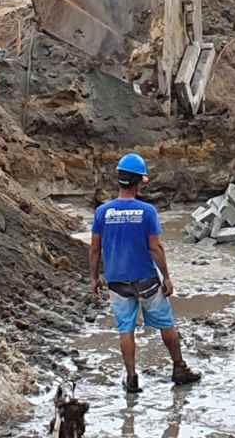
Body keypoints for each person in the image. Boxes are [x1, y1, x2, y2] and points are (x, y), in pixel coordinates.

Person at [89, 153, 202, 393]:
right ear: (140, 182)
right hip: (147, 281)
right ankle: (179, 368)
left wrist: (94, 277)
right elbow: (155, 247)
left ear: (119, 180)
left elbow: (95, 248)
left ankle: (131, 378)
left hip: (117, 283)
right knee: (166, 325)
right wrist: (167, 277)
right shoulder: (147, 211)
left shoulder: (103, 212)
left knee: (125, 330)